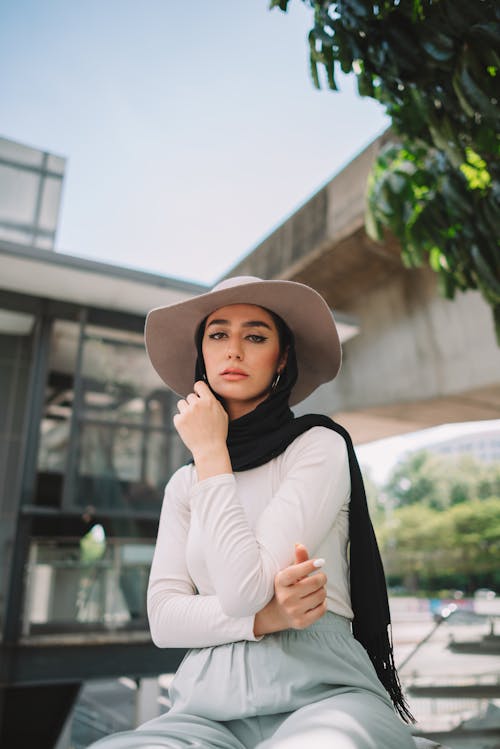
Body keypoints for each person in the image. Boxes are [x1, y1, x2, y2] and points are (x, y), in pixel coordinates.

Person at [88, 275, 418, 749]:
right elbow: (163, 619)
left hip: (322, 692)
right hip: (204, 705)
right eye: (218, 335)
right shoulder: (185, 482)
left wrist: (209, 452)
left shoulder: (317, 447)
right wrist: (265, 619)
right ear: (202, 354)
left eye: (256, 336)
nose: (234, 351)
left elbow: (244, 590)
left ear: (281, 357)